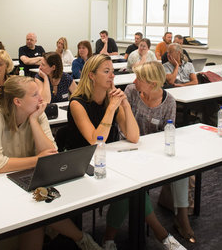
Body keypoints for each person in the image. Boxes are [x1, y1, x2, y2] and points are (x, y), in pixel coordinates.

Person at [0, 76, 102, 250]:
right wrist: (37, 160)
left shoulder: (37, 115)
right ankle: (82, 239)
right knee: (38, 208)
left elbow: (51, 153)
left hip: (20, 174)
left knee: (40, 208)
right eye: (34, 95)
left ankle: (82, 240)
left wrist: (33, 121)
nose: (41, 99)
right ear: (17, 101)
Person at [66, 56, 182, 249]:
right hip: (83, 165)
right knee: (129, 187)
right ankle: (160, 233)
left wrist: (125, 106)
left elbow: (134, 136)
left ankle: (110, 240)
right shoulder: (77, 103)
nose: (112, 75)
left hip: (109, 161)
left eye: (112, 71)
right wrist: (111, 108)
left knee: (131, 185)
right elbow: (96, 141)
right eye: (106, 71)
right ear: (91, 76)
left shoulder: (111, 100)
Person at [125, 61, 194, 245]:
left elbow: (168, 132)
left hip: (154, 151)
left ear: (153, 84)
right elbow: (123, 125)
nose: (135, 81)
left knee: (181, 168)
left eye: (139, 78)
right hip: (129, 148)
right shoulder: (131, 91)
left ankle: (182, 216)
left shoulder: (169, 101)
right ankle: (158, 226)